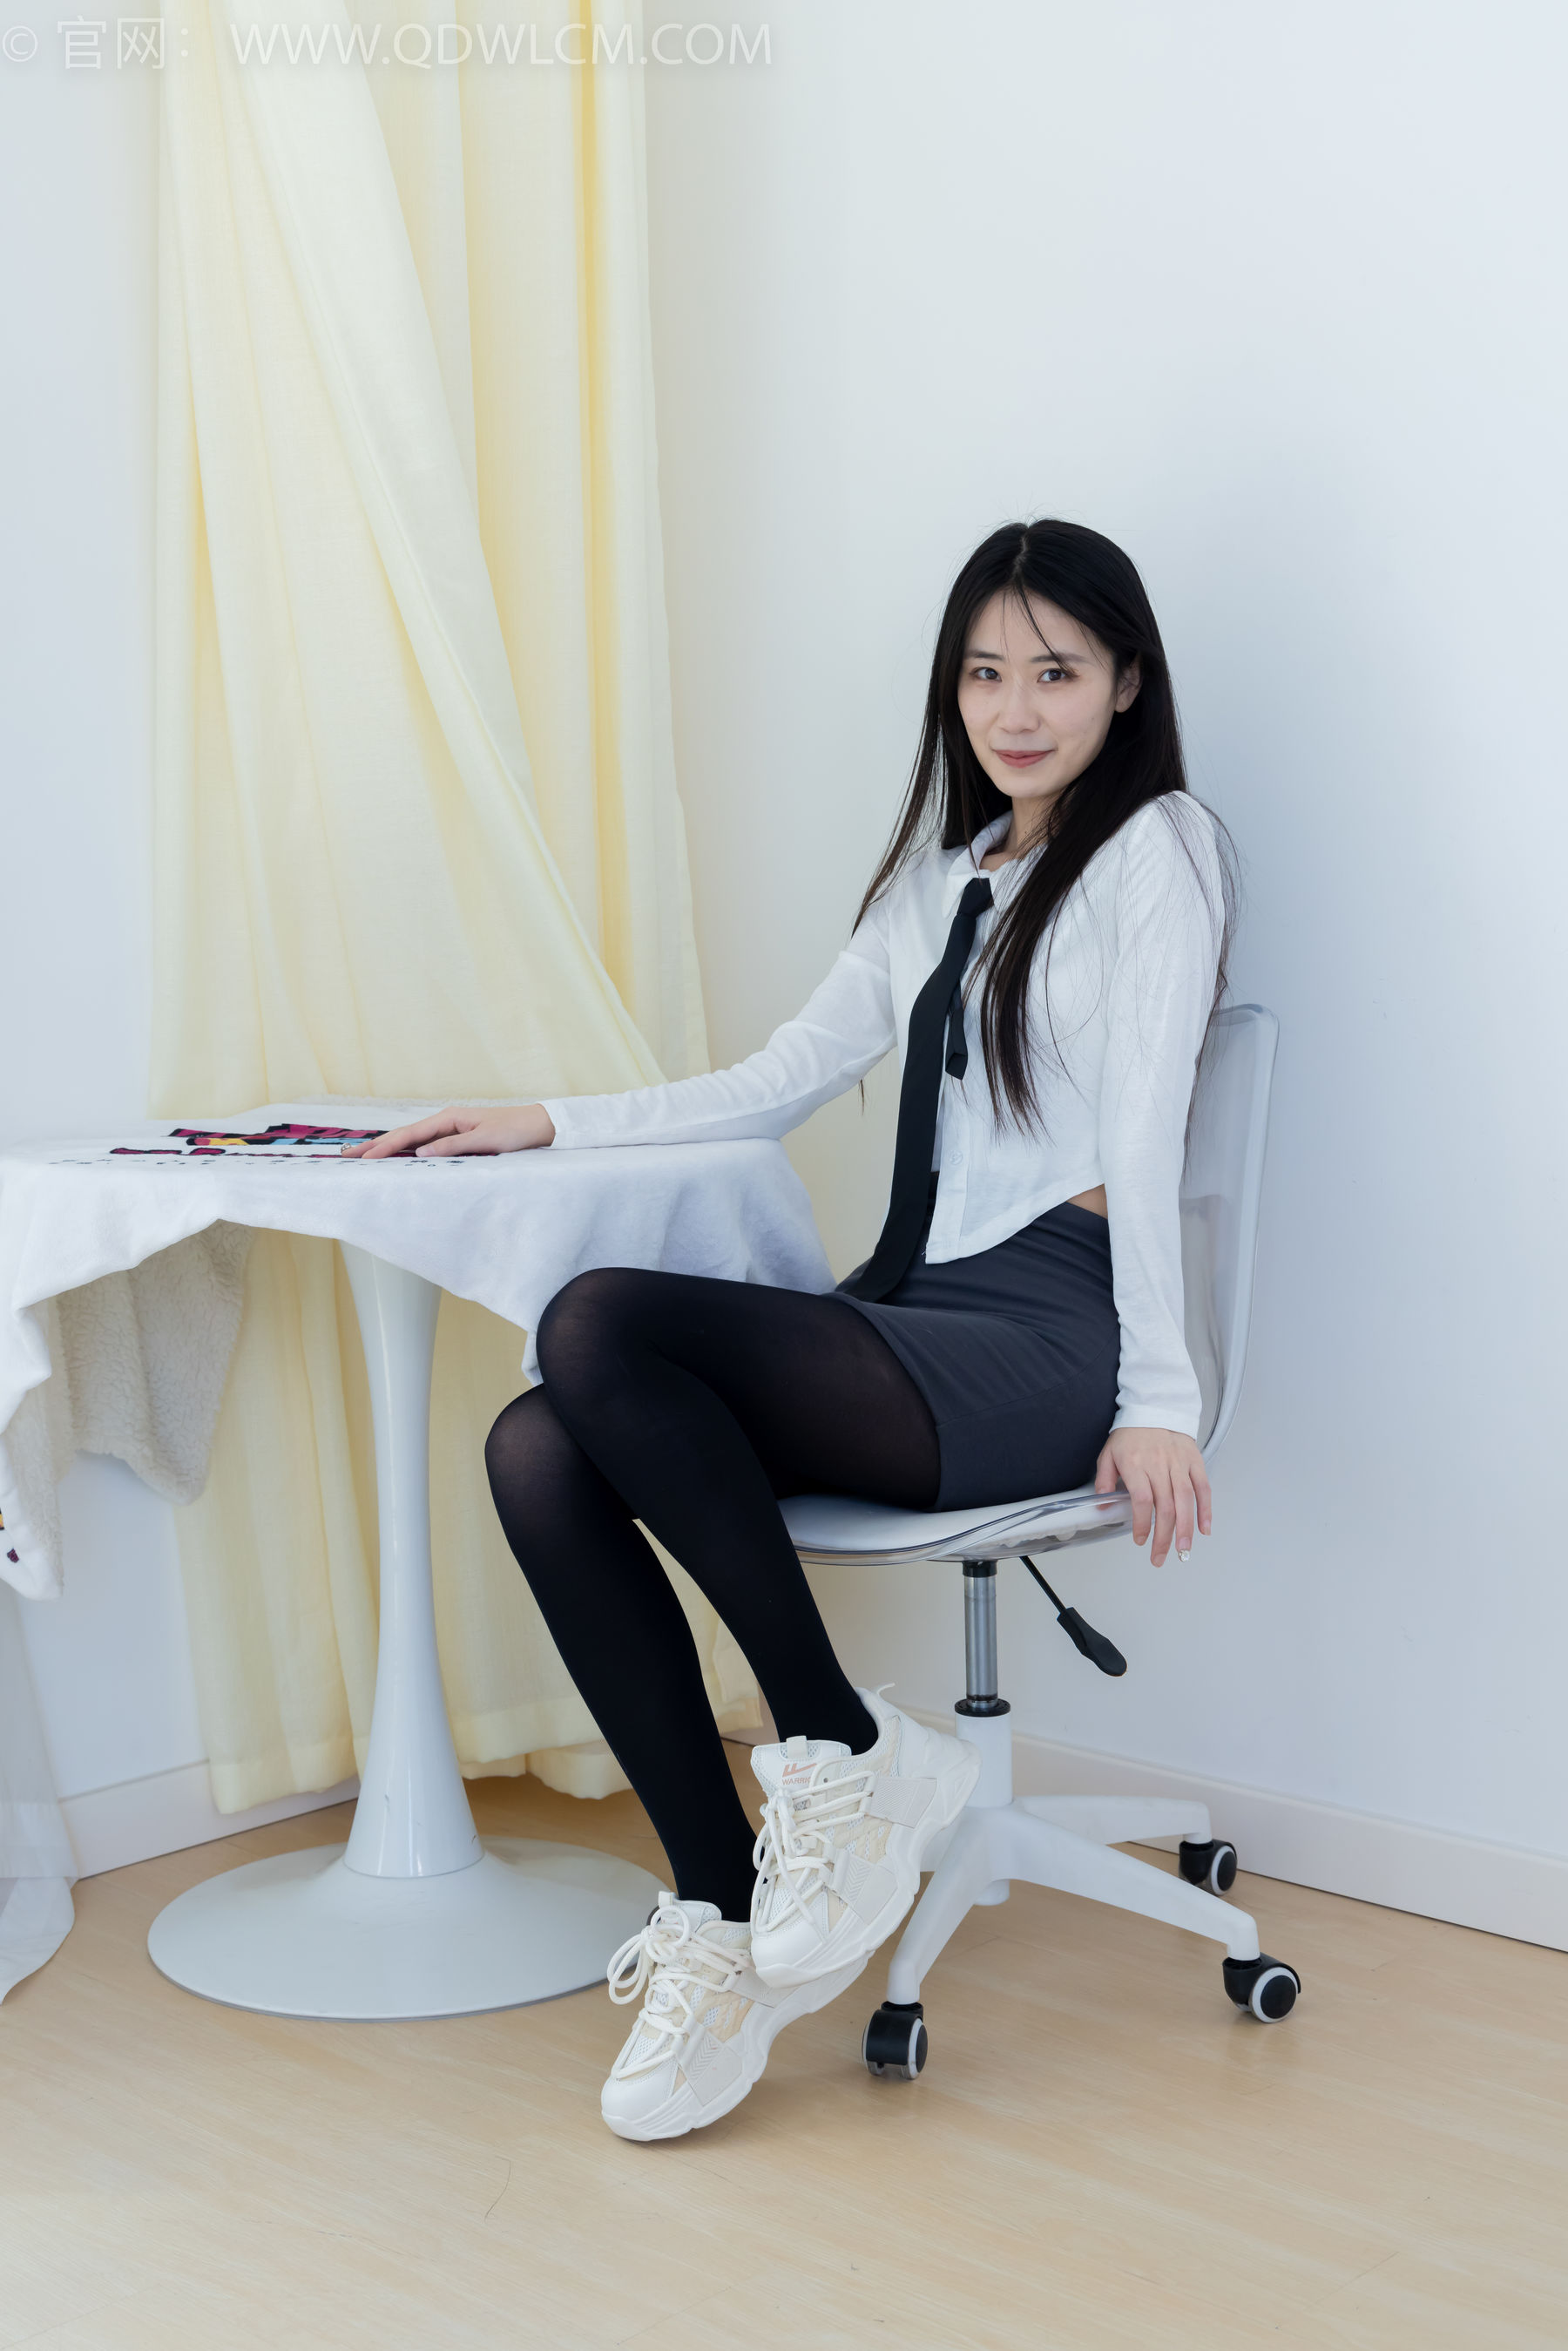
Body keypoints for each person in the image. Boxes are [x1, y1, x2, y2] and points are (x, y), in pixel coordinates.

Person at [349, 518, 1233, 2142]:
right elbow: (775, 1079)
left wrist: (1162, 1392)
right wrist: (547, 1120)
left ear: (1127, 682)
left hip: (1051, 1328)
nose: (1015, 708)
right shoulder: (937, 880)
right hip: (916, 1316)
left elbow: (1147, 1127)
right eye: (984, 672)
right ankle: (717, 1915)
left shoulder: (1157, 852)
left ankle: (834, 1738)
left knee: (595, 1320)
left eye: (1055, 672)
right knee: (538, 1438)